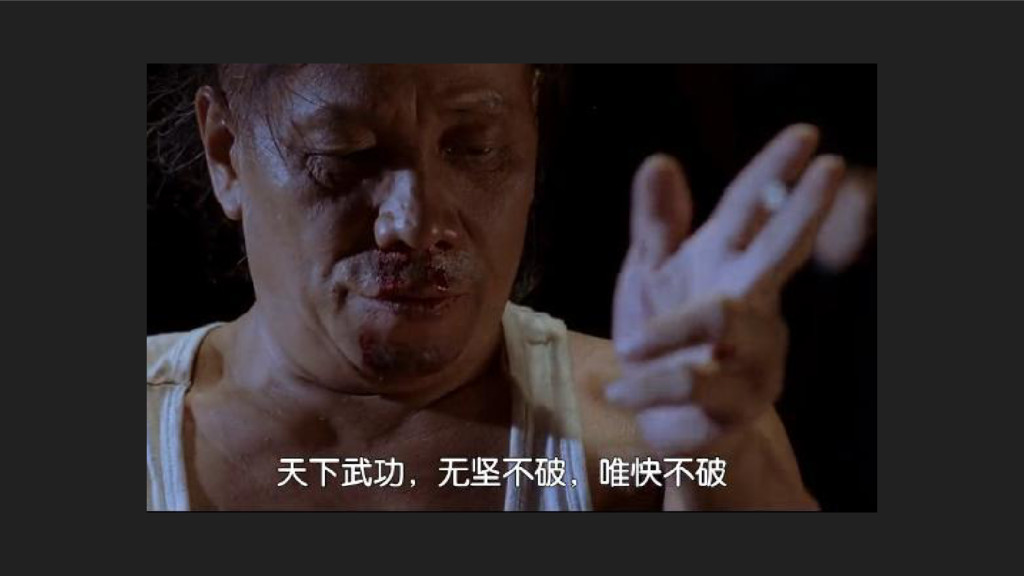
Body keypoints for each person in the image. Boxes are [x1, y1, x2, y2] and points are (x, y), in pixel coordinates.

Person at [147, 64, 845, 510]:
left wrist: (721, 461)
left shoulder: (644, 434)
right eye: (345, 156)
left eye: (476, 148)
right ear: (226, 154)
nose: (416, 224)